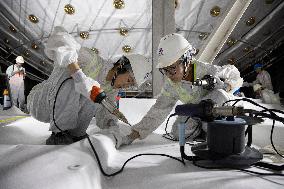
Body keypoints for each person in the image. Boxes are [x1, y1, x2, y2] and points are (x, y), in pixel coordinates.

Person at [27, 26, 151, 146]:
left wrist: (113, 128)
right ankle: (58, 135)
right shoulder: (90, 59)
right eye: (129, 80)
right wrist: (79, 76)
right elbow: (59, 38)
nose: (126, 86)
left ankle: (76, 134)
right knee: (76, 83)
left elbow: (106, 113)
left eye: (131, 85)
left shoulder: (110, 90)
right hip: (41, 102)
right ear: (120, 66)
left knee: (96, 95)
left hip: (58, 110)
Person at [122, 33, 243, 145]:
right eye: (165, 69)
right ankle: (201, 131)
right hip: (196, 112)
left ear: (186, 60)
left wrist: (227, 86)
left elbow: (234, 75)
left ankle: (214, 132)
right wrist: (134, 134)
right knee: (178, 133)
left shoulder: (206, 70)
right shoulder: (171, 85)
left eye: (172, 68)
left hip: (218, 109)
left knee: (219, 95)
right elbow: (159, 110)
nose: (169, 74)